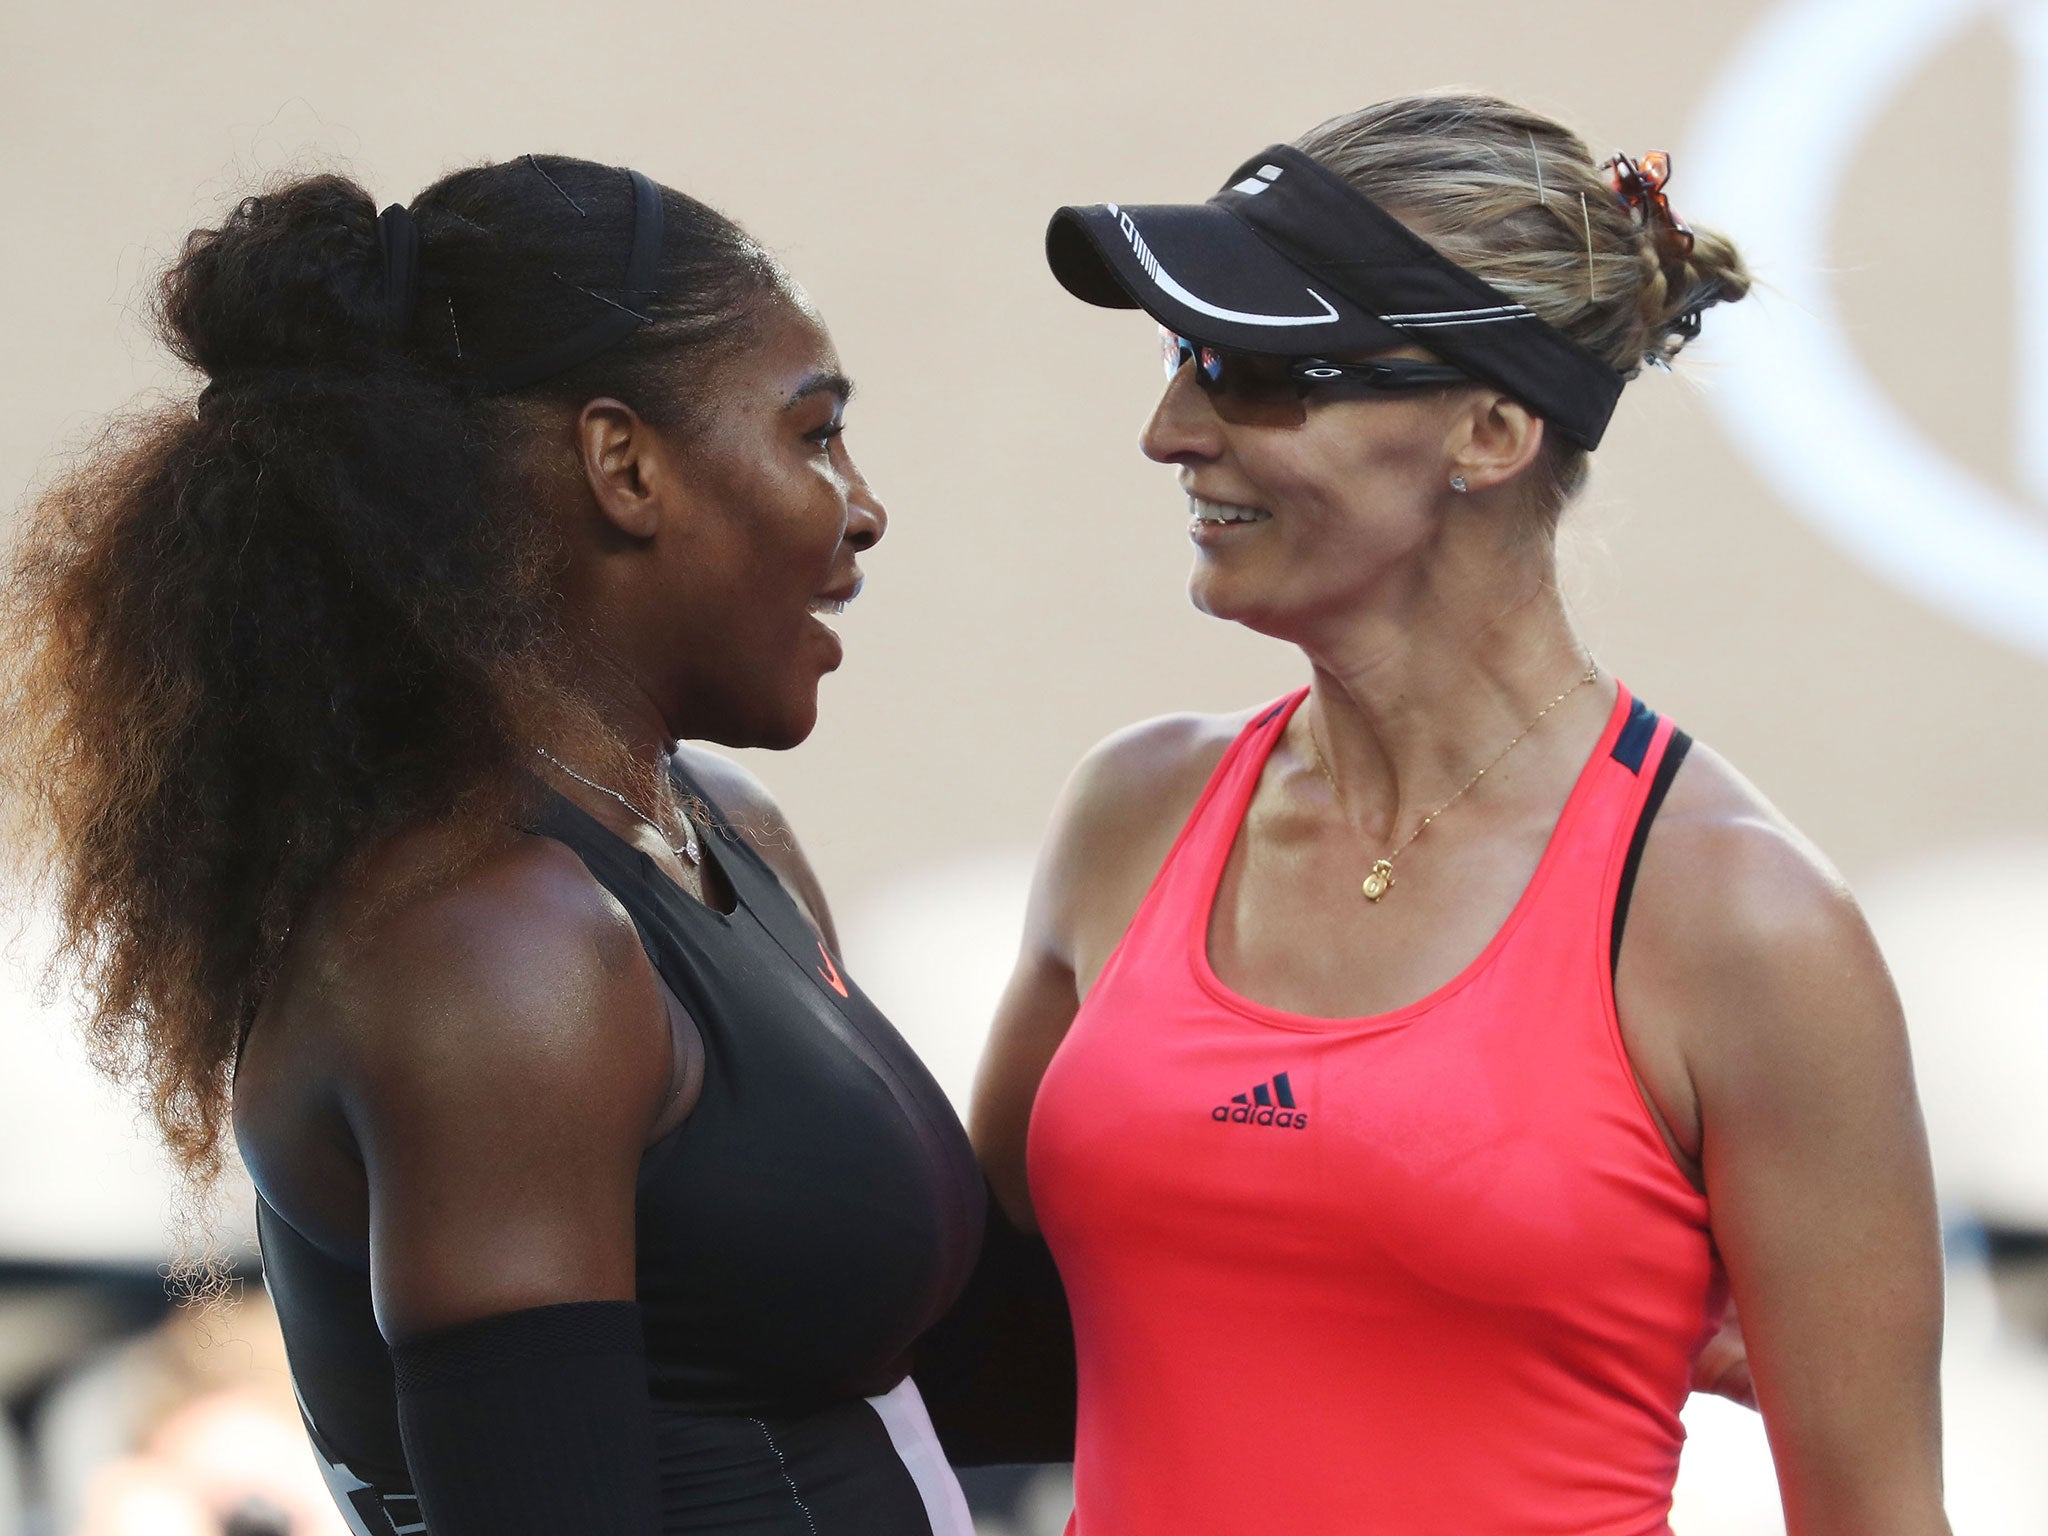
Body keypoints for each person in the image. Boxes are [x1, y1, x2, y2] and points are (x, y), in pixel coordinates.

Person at [972, 93, 1950, 1534]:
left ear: (1490, 429)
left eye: (1251, 369)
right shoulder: (1133, 808)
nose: (1168, 430)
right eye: (1184, 356)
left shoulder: (1744, 922)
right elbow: (945, 1313)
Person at [2, 155, 986, 1536]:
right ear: (623, 466)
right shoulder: (495, 944)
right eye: (814, 435)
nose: (860, 505)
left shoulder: (711, 831)